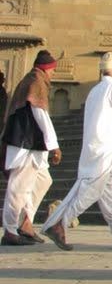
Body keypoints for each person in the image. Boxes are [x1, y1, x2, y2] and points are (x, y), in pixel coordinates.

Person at [42, 52, 112, 252]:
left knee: (109, 195)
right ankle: (60, 224)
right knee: (90, 191)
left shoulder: (95, 91)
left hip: (94, 148)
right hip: (105, 152)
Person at [1, 51, 61, 246]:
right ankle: (10, 230)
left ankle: (26, 222)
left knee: (44, 180)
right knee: (18, 188)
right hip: (24, 144)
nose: (53, 74)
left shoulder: (34, 80)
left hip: (33, 145)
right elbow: (40, 114)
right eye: (53, 70)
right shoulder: (36, 81)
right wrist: (54, 146)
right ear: (46, 69)